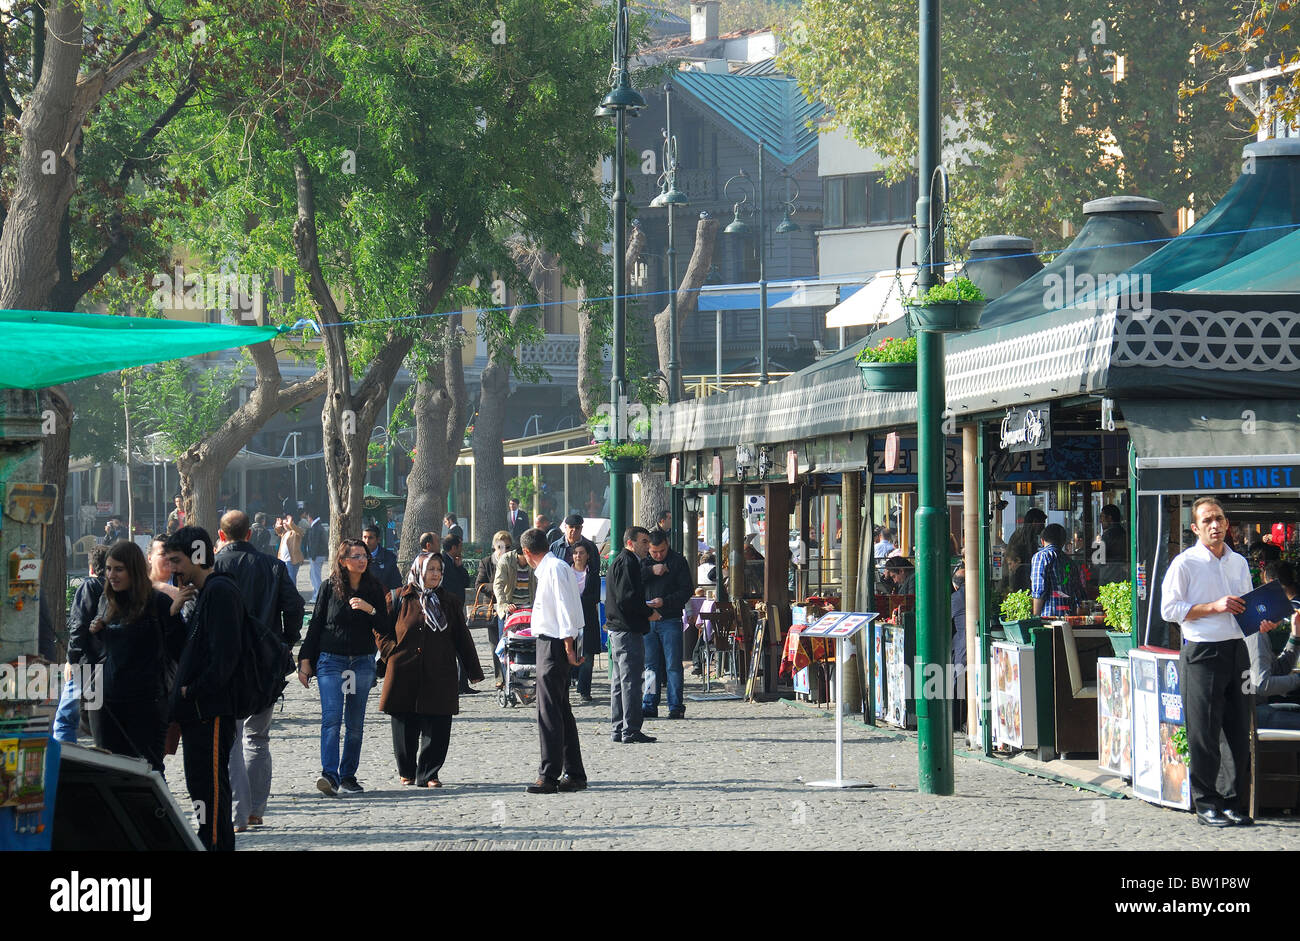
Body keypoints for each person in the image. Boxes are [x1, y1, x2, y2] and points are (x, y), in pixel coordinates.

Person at [1159, 496, 1256, 827]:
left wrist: (1263, 618)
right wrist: (1212, 607)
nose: (1215, 525)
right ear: (1195, 528)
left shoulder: (1239, 563)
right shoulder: (1185, 564)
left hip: (1236, 650)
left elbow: (1245, 607)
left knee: (1237, 729)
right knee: (1204, 733)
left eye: (1219, 519)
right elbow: (1168, 610)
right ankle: (1206, 803)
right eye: (1207, 521)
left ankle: (1232, 801)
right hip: (1202, 652)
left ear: (1227, 524)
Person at [214, 510, 304, 832]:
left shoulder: (213, 568)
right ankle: (254, 810)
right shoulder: (273, 567)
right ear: (249, 534)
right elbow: (295, 608)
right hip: (265, 664)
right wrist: (285, 643)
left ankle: (237, 811)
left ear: (222, 536)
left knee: (232, 738)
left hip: (225, 663)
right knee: (258, 738)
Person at [163, 526, 242, 851]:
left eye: (177, 561)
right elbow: (188, 651)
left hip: (210, 711)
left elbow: (224, 659)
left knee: (208, 789)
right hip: (197, 712)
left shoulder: (220, 591)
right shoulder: (201, 594)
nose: (173, 570)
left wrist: (191, 691)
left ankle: (212, 845)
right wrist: (172, 615)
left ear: (197, 555)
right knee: (200, 788)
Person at [375, 552, 483, 787]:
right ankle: (407, 771)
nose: (435, 574)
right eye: (431, 569)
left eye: (438, 570)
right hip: (403, 670)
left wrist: (473, 670)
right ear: (419, 571)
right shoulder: (397, 598)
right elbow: (380, 629)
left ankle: (429, 773)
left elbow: (462, 638)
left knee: (439, 723)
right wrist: (390, 651)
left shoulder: (450, 601)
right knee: (404, 723)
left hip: (440, 671)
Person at [298, 538, 388, 796]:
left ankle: (348, 775)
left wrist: (370, 610)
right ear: (343, 560)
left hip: (361, 662)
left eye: (365, 556)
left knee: (355, 723)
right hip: (331, 661)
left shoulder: (373, 588)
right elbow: (315, 625)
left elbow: (386, 627)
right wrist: (305, 661)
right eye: (356, 556)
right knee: (331, 719)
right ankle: (330, 775)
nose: (362, 560)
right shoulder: (328, 588)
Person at [83, 540, 182, 772]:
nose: (112, 575)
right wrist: (95, 634)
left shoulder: (158, 603)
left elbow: (179, 649)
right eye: (108, 569)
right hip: (106, 704)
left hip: (146, 703)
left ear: (134, 570)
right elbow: (99, 651)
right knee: (109, 772)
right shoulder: (107, 601)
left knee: (148, 772)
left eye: (119, 569)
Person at [517, 528, 588, 793]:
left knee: (548, 711)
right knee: (559, 709)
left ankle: (549, 775)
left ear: (526, 552)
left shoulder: (554, 569)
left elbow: (564, 608)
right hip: (554, 640)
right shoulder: (556, 567)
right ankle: (574, 772)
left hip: (555, 641)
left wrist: (569, 644)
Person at [606, 526, 657, 744]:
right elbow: (627, 599)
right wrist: (648, 612)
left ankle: (619, 728)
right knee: (631, 682)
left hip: (619, 629)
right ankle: (631, 729)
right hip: (627, 630)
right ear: (630, 543)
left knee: (619, 682)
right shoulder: (627, 562)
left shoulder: (622, 561)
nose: (648, 546)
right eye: (644, 542)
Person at [56, 545, 109, 744]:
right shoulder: (117, 588)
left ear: (91, 568)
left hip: (87, 664)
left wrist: (72, 659)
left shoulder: (89, 586)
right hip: (106, 665)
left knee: (64, 720)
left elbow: (79, 625)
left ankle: (64, 762)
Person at [641, 530, 692, 720]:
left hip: (670, 618)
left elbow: (686, 590)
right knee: (650, 666)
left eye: (661, 551)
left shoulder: (678, 561)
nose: (658, 555)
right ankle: (649, 703)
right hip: (648, 619)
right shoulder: (644, 561)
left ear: (667, 545)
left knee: (673, 665)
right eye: (654, 552)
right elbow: (634, 582)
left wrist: (666, 601)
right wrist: (650, 570)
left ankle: (675, 705)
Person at [438, 534, 476, 694]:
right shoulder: (441, 561)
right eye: (460, 546)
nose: (461, 549)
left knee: (461, 645)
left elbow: (466, 582)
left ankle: (462, 683)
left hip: (457, 608)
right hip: (446, 610)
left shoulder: (454, 562)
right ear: (453, 547)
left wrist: (460, 566)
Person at [476, 531, 511, 687]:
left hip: (511, 607)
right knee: (495, 644)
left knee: (514, 642)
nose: (504, 549)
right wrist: (498, 587)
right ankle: (500, 678)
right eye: (500, 546)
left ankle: (513, 675)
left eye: (507, 546)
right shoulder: (486, 562)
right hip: (493, 608)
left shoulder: (514, 561)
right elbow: (479, 585)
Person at [570, 541, 602, 703]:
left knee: (587, 656)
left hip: (588, 619)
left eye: (581, 553)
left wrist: (578, 601)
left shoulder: (593, 574)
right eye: (575, 553)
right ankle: (568, 684)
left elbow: (595, 597)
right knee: (569, 653)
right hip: (569, 620)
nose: (578, 556)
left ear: (588, 555)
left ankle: (584, 690)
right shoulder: (566, 572)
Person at [1030, 523, 1073, 617]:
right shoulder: (1069, 561)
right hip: (1069, 617)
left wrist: (1036, 617)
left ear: (1042, 541)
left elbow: (1039, 589)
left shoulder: (1041, 557)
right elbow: (1078, 592)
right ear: (1063, 542)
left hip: (1049, 617)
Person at [362, 523, 403, 605]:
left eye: (370, 538)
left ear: (378, 539)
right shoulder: (356, 556)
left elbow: (396, 583)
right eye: (364, 537)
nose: (367, 541)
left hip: (383, 601)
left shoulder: (389, 558)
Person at [302, 507, 329, 596]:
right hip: (318, 555)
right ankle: (316, 593)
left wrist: (312, 556)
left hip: (316, 555)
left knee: (315, 576)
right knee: (313, 575)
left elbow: (315, 543)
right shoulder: (318, 526)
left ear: (310, 517)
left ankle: (318, 594)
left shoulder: (316, 527)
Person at [275, 512, 304, 590]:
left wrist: (291, 524)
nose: (284, 525)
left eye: (286, 523)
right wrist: (277, 526)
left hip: (291, 560)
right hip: (283, 560)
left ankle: (292, 595)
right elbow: (278, 532)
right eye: (283, 523)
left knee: (291, 579)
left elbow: (300, 532)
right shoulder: (284, 533)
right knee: (284, 579)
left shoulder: (295, 533)